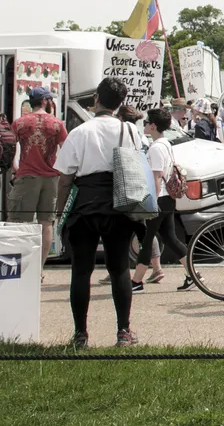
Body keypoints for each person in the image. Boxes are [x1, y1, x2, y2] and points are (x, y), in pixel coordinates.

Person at [53, 78, 142, 348]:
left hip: (85, 206)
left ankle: (80, 335)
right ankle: (123, 332)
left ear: (96, 99)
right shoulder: (130, 130)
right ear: (121, 103)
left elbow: (65, 177)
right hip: (119, 203)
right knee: (120, 270)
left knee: (81, 271)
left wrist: (60, 211)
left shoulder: (81, 131)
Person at [130, 108, 190, 293]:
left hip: (160, 198)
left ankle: (137, 281)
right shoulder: (165, 144)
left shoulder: (156, 147)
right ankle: (194, 274)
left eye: (147, 123)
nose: (145, 125)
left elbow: (156, 177)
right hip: (168, 198)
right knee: (170, 238)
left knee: (147, 240)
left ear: (153, 126)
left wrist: (152, 202)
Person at [9, 86, 68, 272]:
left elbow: (11, 148)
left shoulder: (20, 123)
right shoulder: (57, 123)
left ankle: (20, 269)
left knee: (19, 223)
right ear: (44, 101)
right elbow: (65, 150)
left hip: (27, 177)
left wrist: (15, 166)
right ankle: (39, 269)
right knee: (46, 223)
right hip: (50, 179)